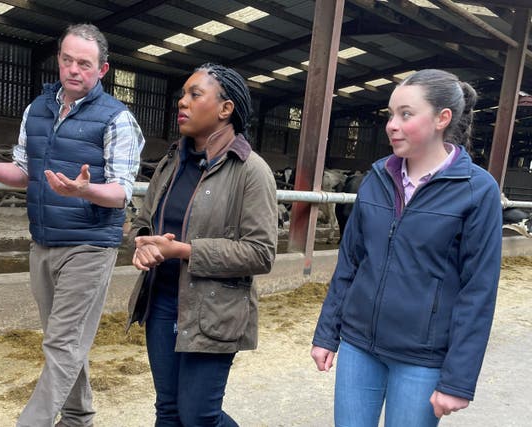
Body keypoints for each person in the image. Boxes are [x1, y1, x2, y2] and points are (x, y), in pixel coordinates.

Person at [0, 24, 145, 427]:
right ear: (59, 59)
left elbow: (123, 192)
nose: (74, 70)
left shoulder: (118, 119)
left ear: (102, 70)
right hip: (43, 242)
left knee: (62, 341)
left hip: (90, 244)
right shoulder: (37, 109)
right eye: (67, 60)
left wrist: (84, 191)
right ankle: (78, 417)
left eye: (85, 64)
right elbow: (24, 173)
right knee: (66, 342)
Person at [311, 69, 502, 426]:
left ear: (443, 119)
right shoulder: (377, 178)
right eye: (390, 114)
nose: (392, 125)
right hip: (358, 345)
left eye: (406, 114)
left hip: (422, 358)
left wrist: (457, 380)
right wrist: (327, 334)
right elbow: (350, 262)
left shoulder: (477, 190)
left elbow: (478, 291)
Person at [126, 63, 278, 426]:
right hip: (161, 302)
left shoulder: (250, 171)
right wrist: (142, 244)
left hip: (214, 310)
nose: (183, 102)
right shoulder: (170, 163)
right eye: (183, 94)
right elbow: (143, 222)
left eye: (195, 94)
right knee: (168, 409)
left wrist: (184, 251)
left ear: (225, 109)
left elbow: (261, 252)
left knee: (198, 416)